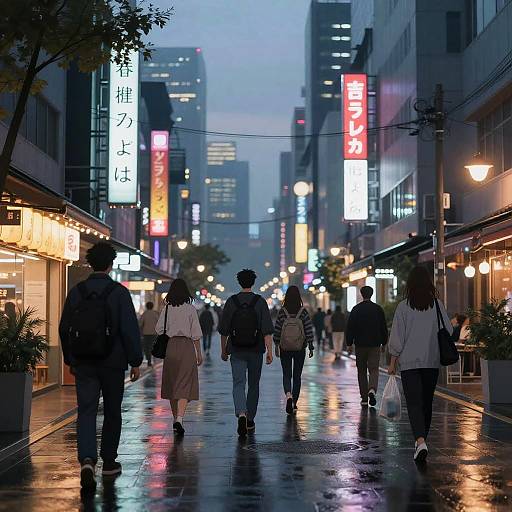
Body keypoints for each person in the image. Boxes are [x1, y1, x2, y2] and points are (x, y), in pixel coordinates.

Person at [59, 242, 142, 490]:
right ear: (111, 264)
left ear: (90, 263)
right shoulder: (118, 293)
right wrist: (136, 360)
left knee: (85, 410)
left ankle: (86, 459)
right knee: (113, 411)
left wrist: (70, 359)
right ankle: (108, 462)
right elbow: (129, 329)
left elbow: (64, 328)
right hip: (113, 363)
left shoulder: (76, 292)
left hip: (84, 362)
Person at [388, 266, 452, 463]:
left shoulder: (403, 307)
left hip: (409, 364)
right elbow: (448, 329)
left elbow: (397, 338)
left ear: (410, 284)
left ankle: (420, 440)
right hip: (431, 362)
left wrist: (392, 361)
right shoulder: (437, 305)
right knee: (426, 403)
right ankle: (422, 441)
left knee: (414, 403)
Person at [219, 269, 274, 437]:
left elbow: (223, 330)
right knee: (254, 384)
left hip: (236, 349)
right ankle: (250, 419)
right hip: (256, 350)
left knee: (238, 383)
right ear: (253, 282)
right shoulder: (260, 302)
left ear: (239, 282)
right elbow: (267, 330)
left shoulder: (231, 301)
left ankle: (241, 413)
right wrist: (269, 351)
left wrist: (224, 350)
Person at [156, 278, 203, 436]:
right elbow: (196, 333)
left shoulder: (167, 309)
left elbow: (158, 329)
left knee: (172, 383)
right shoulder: (190, 309)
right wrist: (199, 353)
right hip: (187, 347)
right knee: (184, 382)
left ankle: (175, 417)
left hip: (170, 347)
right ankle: (180, 419)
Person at [273, 286, 314, 414]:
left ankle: (288, 395)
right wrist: (311, 345)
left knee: (286, 374)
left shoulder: (282, 312)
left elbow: (278, 329)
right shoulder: (303, 312)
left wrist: (276, 344)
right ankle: (294, 403)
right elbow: (308, 329)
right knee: (297, 376)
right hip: (299, 347)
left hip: (284, 347)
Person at [345, 286, 388, 407]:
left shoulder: (356, 309)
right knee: (374, 369)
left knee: (361, 371)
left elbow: (350, 328)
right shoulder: (378, 309)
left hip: (360, 345)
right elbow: (383, 327)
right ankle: (372, 390)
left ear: (361, 294)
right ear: (372, 294)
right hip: (375, 344)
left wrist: (349, 344)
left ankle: (364, 397)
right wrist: (384, 343)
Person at [139, 302, 160, 367]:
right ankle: (152, 359)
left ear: (146, 306)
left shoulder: (144, 314)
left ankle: (149, 360)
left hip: (146, 333)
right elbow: (159, 322)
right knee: (152, 346)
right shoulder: (155, 314)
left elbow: (140, 324)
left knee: (146, 347)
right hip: (154, 333)